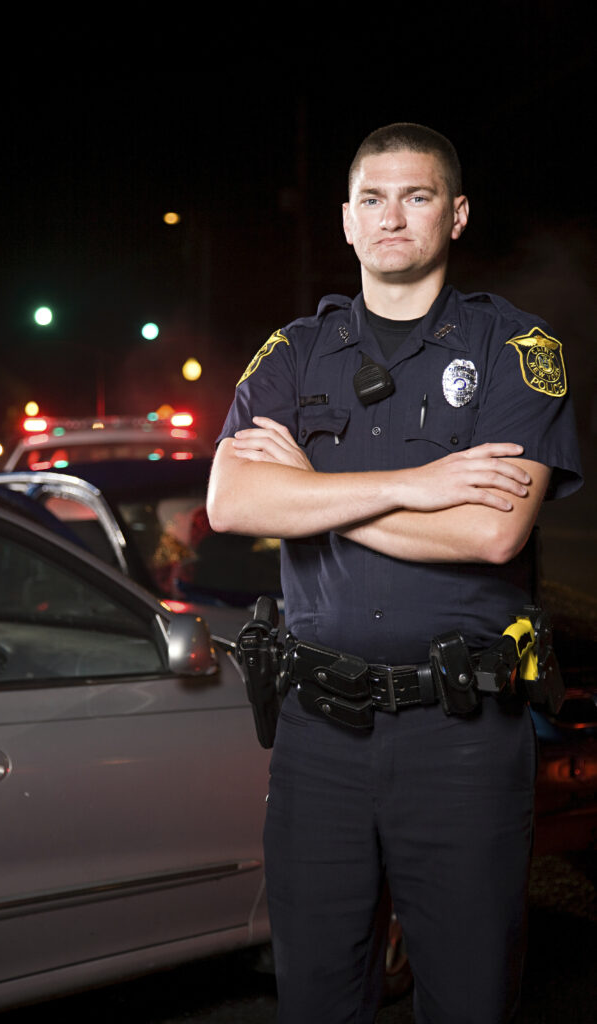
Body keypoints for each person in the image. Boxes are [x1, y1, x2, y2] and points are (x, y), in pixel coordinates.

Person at [206, 123, 582, 1024]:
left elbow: (491, 534)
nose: (390, 216)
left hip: (458, 738)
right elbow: (231, 503)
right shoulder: (294, 352)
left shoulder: (515, 349)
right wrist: (417, 488)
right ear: (344, 220)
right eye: (371, 199)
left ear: (454, 215)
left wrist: (309, 490)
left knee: (467, 997)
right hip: (314, 740)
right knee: (316, 999)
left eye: (414, 197)